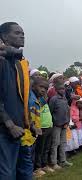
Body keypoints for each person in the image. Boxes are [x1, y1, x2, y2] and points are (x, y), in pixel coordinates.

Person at [0, 22, 30, 180]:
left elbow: (21, 97)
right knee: (6, 174)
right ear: (4, 36)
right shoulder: (1, 61)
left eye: (23, 33)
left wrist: (29, 122)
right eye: (17, 33)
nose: (22, 36)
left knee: (23, 172)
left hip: (19, 128)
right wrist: (9, 124)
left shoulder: (19, 64)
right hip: (5, 129)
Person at [25, 77, 48, 178]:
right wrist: (33, 126)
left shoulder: (38, 99)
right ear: (33, 86)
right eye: (41, 87)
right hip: (27, 133)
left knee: (32, 155)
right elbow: (26, 115)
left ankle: (31, 173)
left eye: (46, 88)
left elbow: (45, 100)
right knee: (27, 157)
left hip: (33, 134)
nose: (43, 90)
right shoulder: (30, 98)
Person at [49, 83, 73, 170]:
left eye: (63, 89)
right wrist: (54, 122)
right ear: (56, 90)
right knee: (55, 143)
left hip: (64, 124)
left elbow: (67, 110)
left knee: (63, 143)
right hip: (56, 125)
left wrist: (67, 121)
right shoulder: (53, 99)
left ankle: (63, 161)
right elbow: (50, 112)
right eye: (60, 89)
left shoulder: (65, 98)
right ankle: (54, 162)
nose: (62, 90)